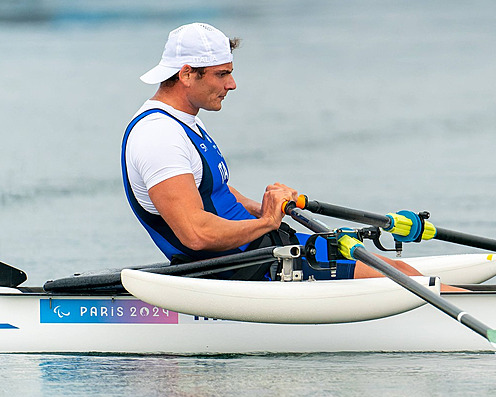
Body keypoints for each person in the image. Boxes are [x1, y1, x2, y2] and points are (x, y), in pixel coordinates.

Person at [121, 22, 446, 284]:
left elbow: (211, 191)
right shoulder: (158, 136)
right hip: (243, 269)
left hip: (263, 249)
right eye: (222, 74)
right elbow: (195, 234)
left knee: (405, 274)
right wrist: (265, 221)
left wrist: (268, 208)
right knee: (401, 281)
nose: (232, 84)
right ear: (187, 74)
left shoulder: (183, 122)